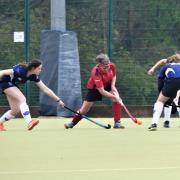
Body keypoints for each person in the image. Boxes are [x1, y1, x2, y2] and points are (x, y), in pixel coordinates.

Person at [0, 59, 64, 131]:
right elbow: (2, 72)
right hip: (5, 82)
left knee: (15, 110)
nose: (40, 70)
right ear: (33, 68)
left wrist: (58, 100)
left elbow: (45, 89)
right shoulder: (21, 70)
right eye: (39, 68)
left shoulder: (33, 76)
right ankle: (29, 122)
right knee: (22, 99)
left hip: (12, 85)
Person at [64, 53, 124, 129]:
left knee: (115, 99)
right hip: (95, 88)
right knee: (84, 110)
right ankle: (72, 123)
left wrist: (112, 86)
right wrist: (116, 97)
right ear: (99, 65)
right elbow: (102, 91)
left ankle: (117, 123)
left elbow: (114, 75)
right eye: (104, 68)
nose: (107, 69)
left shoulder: (112, 66)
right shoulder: (95, 73)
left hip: (108, 84)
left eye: (107, 66)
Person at [147, 53, 180, 128]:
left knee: (160, 101)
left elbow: (160, 81)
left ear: (170, 61)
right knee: (173, 101)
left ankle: (154, 124)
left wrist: (162, 93)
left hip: (172, 82)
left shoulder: (166, 66)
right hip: (175, 84)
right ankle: (166, 122)